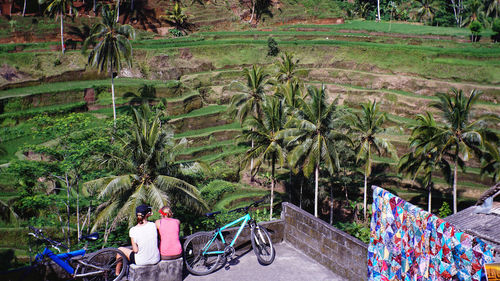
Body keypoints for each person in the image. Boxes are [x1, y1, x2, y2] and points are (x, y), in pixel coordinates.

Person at [116, 204, 160, 274]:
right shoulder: (153, 225)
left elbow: (135, 250)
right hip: (155, 259)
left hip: (141, 261)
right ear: (147, 214)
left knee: (120, 249)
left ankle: (117, 274)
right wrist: (150, 214)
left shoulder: (133, 230)